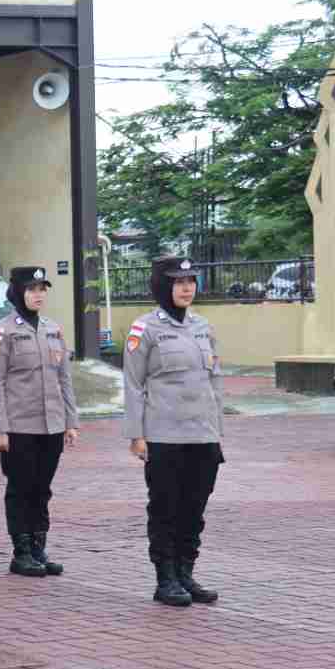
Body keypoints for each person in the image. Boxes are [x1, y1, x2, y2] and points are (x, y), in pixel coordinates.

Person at [124, 256, 224, 608]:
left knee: (194, 508)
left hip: (203, 435)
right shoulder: (144, 329)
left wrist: (217, 430)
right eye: (178, 281)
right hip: (164, 436)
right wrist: (136, 435)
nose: (186, 288)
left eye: (191, 281)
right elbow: (134, 384)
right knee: (166, 507)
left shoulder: (203, 327)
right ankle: (165, 578)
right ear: (162, 286)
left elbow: (215, 380)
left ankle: (185, 572)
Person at [0, 266, 79, 578]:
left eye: (42, 288)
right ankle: (21, 551)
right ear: (17, 293)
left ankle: (39, 547)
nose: (38, 294)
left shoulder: (54, 329)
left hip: (51, 425)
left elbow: (64, 379)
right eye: (31, 289)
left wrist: (71, 421)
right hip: (19, 427)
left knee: (42, 489)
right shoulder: (3, 331)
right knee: (20, 489)